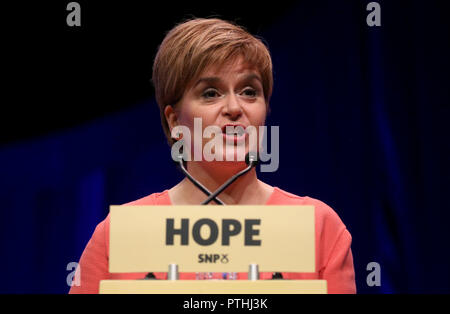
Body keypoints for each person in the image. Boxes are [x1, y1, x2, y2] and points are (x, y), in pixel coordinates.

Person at [69, 18, 356, 294]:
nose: (234, 107)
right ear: (174, 122)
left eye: (248, 91)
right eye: (210, 93)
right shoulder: (119, 235)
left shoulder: (318, 226)